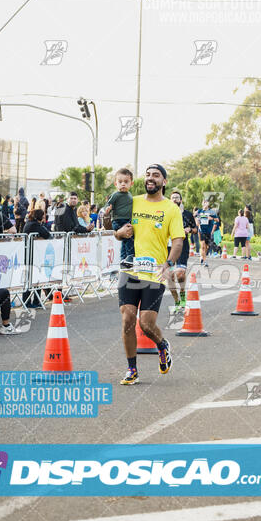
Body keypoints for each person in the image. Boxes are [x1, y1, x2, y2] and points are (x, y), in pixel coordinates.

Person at [114, 164, 184, 385]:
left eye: (156, 175)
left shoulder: (171, 209)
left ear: (164, 181)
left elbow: (178, 241)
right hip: (129, 269)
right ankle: (132, 369)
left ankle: (162, 345)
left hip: (154, 273)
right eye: (147, 175)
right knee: (127, 320)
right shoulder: (131, 201)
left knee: (145, 323)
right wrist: (118, 232)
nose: (150, 178)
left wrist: (169, 262)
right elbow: (114, 227)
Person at [168, 190, 196, 311]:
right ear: (170, 200)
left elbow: (195, 229)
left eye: (177, 198)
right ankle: (177, 301)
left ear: (181, 200)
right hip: (167, 247)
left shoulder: (187, 214)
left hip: (182, 246)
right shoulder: (165, 213)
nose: (174, 199)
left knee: (180, 274)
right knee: (169, 277)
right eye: (173, 197)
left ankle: (183, 295)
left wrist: (189, 229)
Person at [106, 168, 135, 267]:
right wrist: (107, 209)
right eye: (120, 182)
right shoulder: (116, 194)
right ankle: (130, 256)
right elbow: (108, 204)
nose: (123, 184)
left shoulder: (130, 195)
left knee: (125, 241)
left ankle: (124, 259)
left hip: (127, 220)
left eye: (126, 182)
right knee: (129, 238)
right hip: (118, 220)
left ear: (131, 183)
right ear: (115, 184)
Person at [22, 209, 52, 307]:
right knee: (32, 278)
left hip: (32, 254)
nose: (44, 217)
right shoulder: (34, 225)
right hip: (32, 255)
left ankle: (35, 300)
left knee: (34, 277)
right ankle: (29, 301)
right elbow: (47, 234)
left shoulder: (30, 223)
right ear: (39, 216)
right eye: (43, 216)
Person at [196, 199, 218, 267]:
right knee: (202, 246)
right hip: (201, 230)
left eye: (206, 202)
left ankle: (202, 257)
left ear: (208, 204)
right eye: (204, 202)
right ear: (202, 203)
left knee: (207, 247)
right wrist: (197, 222)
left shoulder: (212, 211)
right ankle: (205, 261)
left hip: (208, 231)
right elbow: (196, 220)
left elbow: (217, 220)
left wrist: (211, 218)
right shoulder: (199, 211)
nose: (205, 203)